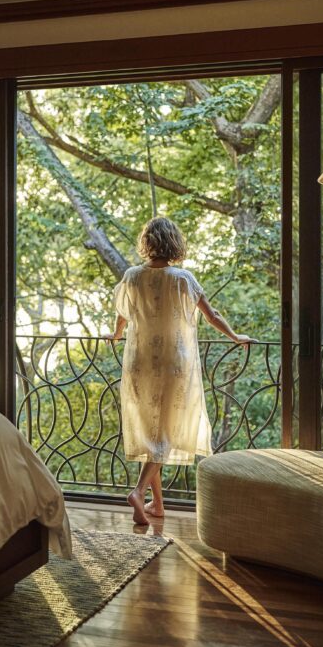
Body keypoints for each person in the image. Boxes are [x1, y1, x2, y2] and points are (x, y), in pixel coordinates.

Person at [104, 217, 255, 526]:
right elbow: (211, 315)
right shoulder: (183, 279)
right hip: (174, 365)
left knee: (152, 433)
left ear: (147, 243)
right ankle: (138, 491)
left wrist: (116, 336)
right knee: (166, 432)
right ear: (173, 243)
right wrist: (235, 337)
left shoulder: (131, 277)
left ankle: (157, 505)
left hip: (139, 363)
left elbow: (123, 315)